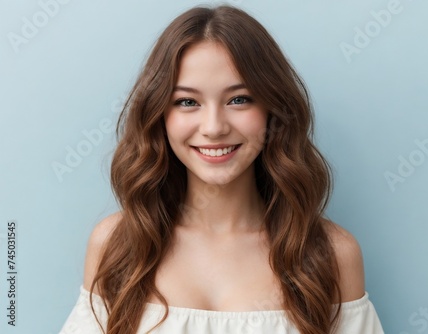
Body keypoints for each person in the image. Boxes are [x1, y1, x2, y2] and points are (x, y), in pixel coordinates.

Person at [60, 5, 383, 334]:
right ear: (159, 115)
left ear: (273, 110)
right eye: (187, 102)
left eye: (239, 99)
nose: (213, 128)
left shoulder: (331, 253)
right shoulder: (118, 245)